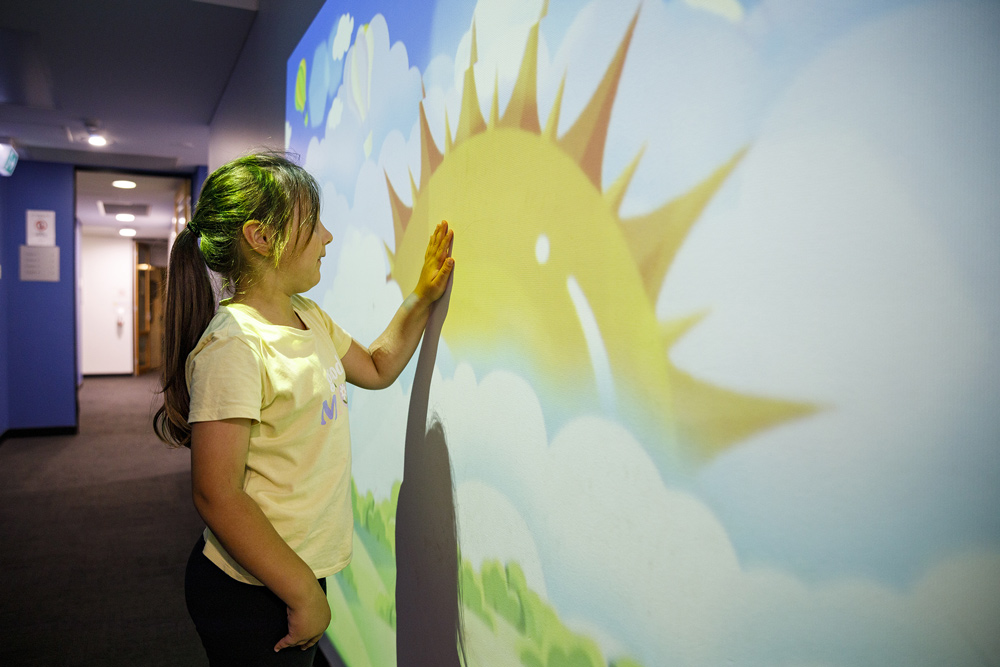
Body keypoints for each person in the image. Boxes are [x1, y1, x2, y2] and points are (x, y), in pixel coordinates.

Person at [154, 152, 454, 666]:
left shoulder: (308, 317)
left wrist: (422, 296)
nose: (328, 237)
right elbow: (216, 494)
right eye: (314, 224)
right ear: (261, 238)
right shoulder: (235, 347)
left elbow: (379, 367)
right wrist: (302, 594)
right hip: (249, 590)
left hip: (288, 578)